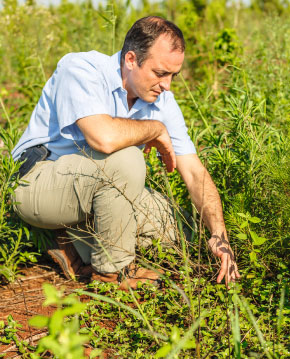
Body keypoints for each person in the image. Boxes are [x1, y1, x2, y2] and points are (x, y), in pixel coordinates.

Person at [12, 16, 240, 289]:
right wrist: (154, 129)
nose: (167, 85)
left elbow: (193, 172)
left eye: (172, 75)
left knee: (183, 231)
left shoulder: (161, 99)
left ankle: (69, 240)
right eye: (160, 73)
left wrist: (219, 235)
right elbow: (104, 139)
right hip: (36, 183)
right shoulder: (81, 68)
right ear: (131, 59)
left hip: (91, 189)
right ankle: (112, 273)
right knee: (126, 157)